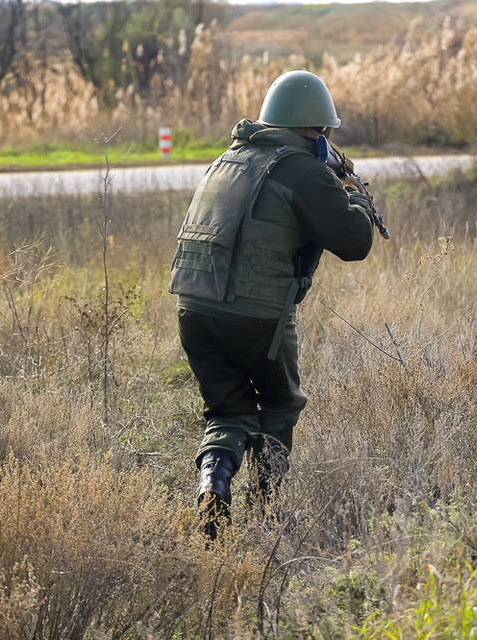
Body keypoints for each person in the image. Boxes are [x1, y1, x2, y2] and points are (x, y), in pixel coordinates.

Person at [169, 70, 379, 539]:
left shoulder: (228, 159)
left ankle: (213, 486)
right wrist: (358, 197)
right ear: (317, 130)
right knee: (280, 406)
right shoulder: (303, 169)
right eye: (325, 133)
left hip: (194, 311)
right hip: (258, 317)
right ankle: (267, 514)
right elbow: (354, 242)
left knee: (227, 413)